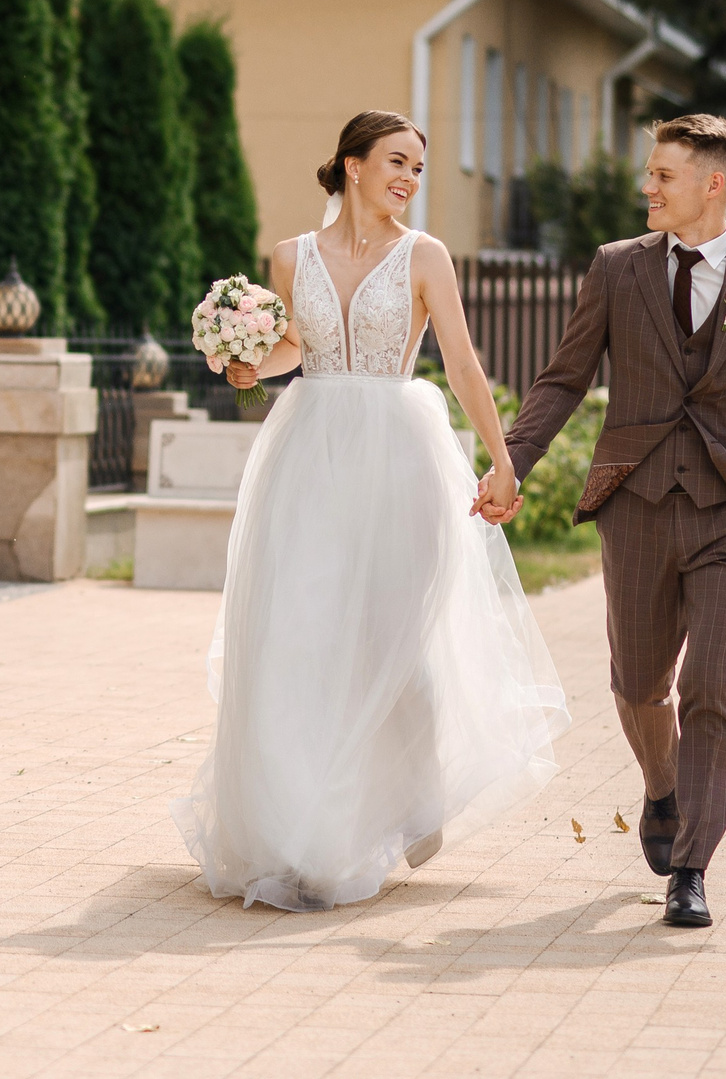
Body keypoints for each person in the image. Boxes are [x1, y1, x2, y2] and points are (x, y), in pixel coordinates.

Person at [174, 111, 570, 911]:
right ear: (351, 165)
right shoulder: (290, 257)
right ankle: (305, 828)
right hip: (309, 454)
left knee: (396, 636)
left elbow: (460, 360)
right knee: (303, 633)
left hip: (399, 452)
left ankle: (412, 794)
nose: (409, 179)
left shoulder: (424, 256)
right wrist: (244, 357)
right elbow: (295, 350)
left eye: (419, 168)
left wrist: (500, 459)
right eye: (396, 161)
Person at [483, 113, 726, 930]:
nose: (647, 186)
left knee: (713, 681)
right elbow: (564, 378)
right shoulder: (615, 268)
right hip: (635, 504)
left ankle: (692, 866)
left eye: (663, 175)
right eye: (648, 173)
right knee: (639, 683)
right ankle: (661, 786)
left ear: (712, 185)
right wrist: (513, 462)